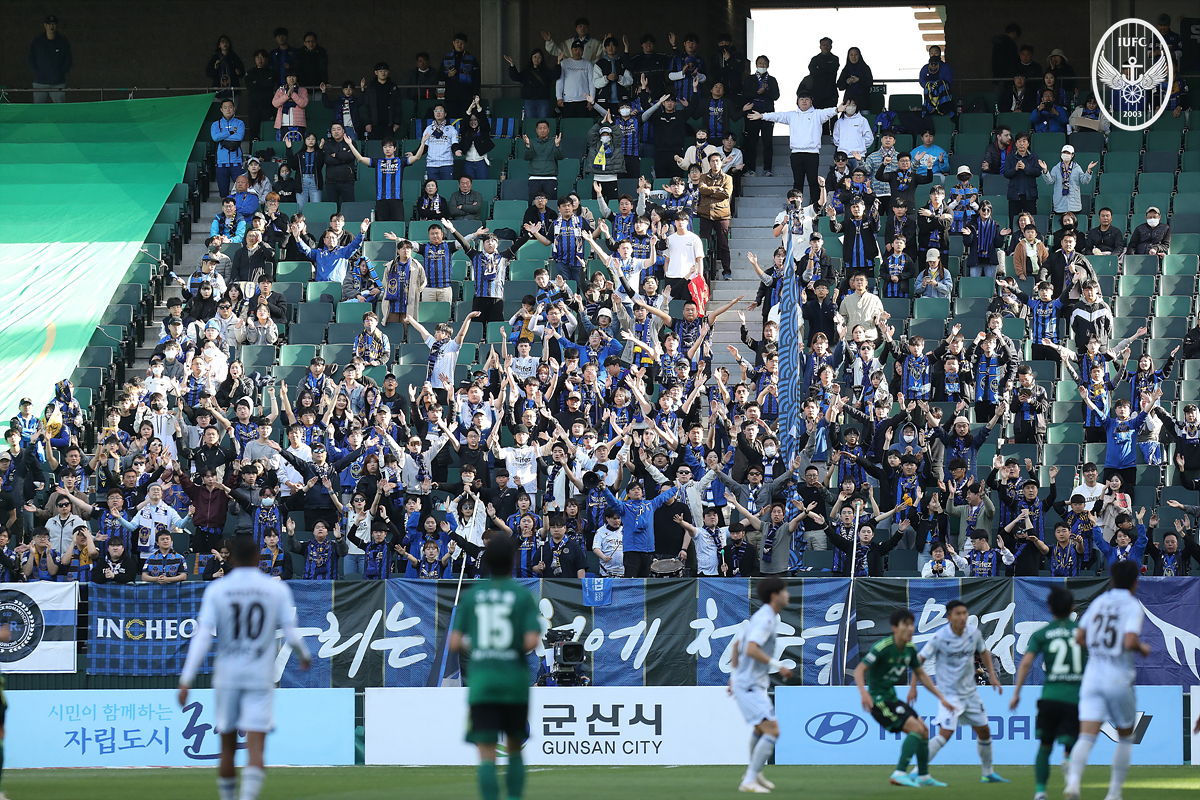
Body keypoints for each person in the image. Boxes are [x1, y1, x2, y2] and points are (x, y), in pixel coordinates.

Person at [178, 535, 312, 800]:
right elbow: (291, 632)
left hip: (227, 673)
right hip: (259, 674)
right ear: (257, 558)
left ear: (232, 559)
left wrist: (186, 679)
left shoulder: (218, 589)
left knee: (227, 746)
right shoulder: (275, 589)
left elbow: (203, 636)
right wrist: (304, 655)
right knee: (256, 746)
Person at [449, 536, 540, 800]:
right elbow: (532, 641)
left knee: (486, 754)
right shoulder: (522, 596)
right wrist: (507, 648)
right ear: (513, 561)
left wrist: (481, 646)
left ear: (486, 561)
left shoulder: (473, 596)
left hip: (483, 683)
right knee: (515, 749)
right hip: (514, 683)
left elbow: (454, 642)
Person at [1063, 561, 1151, 800]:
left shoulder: (1099, 602)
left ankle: (1073, 784)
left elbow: (1079, 638)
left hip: (1093, 678)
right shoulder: (1132, 605)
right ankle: (1113, 793)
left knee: (1086, 736)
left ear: (1112, 580)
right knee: (1126, 737)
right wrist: (1142, 648)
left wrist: (1098, 649)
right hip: (1118, 678)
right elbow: (1130, 641)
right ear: (1135, 583)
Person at [855, 607, 954, 788]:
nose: (910, 629)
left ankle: (923, 776)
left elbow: (921, 674)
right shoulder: (883, 647)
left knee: (924, 731)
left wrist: (941, 697)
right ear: (894, 627)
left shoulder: (910, 649)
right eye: (905, 624)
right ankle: (899, 773)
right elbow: (859, 670)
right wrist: (863, 693)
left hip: (892, 698)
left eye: (912, 625)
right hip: (879, 700)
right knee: (916, 729)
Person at [915, 599, 1009, 783]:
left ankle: (988, 773)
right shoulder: (940, 637)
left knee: (984, 731)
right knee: (945, 734)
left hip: (970, 694)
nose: (963, 617)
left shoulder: (973, 633)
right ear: (949, 617)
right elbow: (919, 660)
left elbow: (984, 652)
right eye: (958, 614)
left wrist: (992, 675)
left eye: (965, 613)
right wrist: (913, 687)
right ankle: (917, 771)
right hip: (950, 694)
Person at [1010, 586, 1084, 800]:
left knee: (1044, 746)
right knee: (1072, 744)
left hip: (1050, 696)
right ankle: (1070, 777)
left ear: (1050, 608)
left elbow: (1025, 663)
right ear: (1072, 607)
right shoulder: (1082, 632)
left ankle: (1041, 792)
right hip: (1074, 698)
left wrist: (1016, 693)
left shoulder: (1042, 634)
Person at [729, 577, 793, 794]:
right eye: (784, 591)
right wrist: (778, 665)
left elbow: (737, 644)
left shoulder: (763, 616)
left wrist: (734, 675)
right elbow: (750, 649)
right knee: (773, 730)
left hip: (749, 682)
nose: (787, 595)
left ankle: (754, 774)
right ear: (775, 596)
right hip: (749, 685)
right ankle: (749, 780)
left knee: (760, 728)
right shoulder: (765, 619)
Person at [748, 92, 842, 204]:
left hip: (812, 153)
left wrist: (837, 109)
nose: (804, 101)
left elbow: (829, 112)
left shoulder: (817, 114)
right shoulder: (792, 115)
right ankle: (796, 207)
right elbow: (777, 116)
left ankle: (816, 207)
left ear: (811, 101)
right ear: (797, 101)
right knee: (798, 182)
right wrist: (762, 116)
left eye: (807, 99)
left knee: (813, 181)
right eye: (801, 99)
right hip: (796, 153)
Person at [742, 56, 780, 177]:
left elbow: (776, 95)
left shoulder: (772, 80)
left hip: (767, 114)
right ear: (756, 65)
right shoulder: (750, 79)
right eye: (760, 63)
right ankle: (751, 169)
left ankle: (767, 169)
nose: (762, 65)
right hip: (752, 113)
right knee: (751, 142)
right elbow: (745, 94)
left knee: (767, 142)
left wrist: (765, 92)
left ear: (768, 65)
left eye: (764, 63)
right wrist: (757, 93)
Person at [27, 14, 71, 103]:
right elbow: (30, 58)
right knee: (38, 108)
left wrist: (60, 73)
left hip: (58, 82)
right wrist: (36, 72)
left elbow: (68, 60)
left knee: (60, 108)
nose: (51, 26)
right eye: (49, 24)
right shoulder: (37, 41)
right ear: (45, 25)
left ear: (57, 26)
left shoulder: (63, 41)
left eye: (54, 24)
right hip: (40, 82)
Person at [211, 99, 246, 199]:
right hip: (221, 163)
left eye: (230, 107)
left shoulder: (239, 123)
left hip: (236, 163)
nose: (228, 110)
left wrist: (222, 136)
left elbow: (239, 137)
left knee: (242, 191)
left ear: (234, 109)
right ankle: (225, 209)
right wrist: (230, 133)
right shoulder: (215, 124)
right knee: (224, 194)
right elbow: (215, 138)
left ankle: (240, 209)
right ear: (221, 110)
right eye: (225, 108)